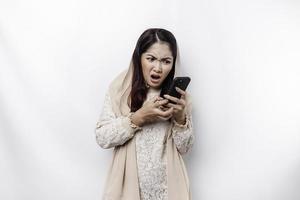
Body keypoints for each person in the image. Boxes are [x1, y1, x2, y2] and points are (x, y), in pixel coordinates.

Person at [95, 28, 194, 200]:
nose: (158, 68)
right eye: (151, 59)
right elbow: (102, 137)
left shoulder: (179, 98)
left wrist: (180, 119)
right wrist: (139, 117)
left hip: (168, 190)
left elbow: (184, 148)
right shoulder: (120, 90)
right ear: (139, 57)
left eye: (166, 61)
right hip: (127, 189)